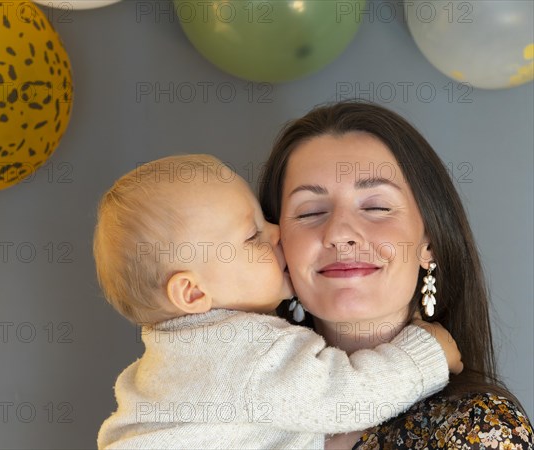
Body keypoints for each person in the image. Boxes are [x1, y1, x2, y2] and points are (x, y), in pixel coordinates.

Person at [93, 154, 463, 449]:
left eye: (376, 207)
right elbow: (345, 397)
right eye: (253, 234)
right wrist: (425, 355)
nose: (276, 233)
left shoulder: (171, 360)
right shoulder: (241, 350)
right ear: (192, 293)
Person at [258, 100, 534, 449]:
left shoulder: (478, 429)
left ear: (429, 243)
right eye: (311, 212)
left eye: (376, 207)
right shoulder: (232, 411)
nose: (340, 233)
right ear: (278, 242)